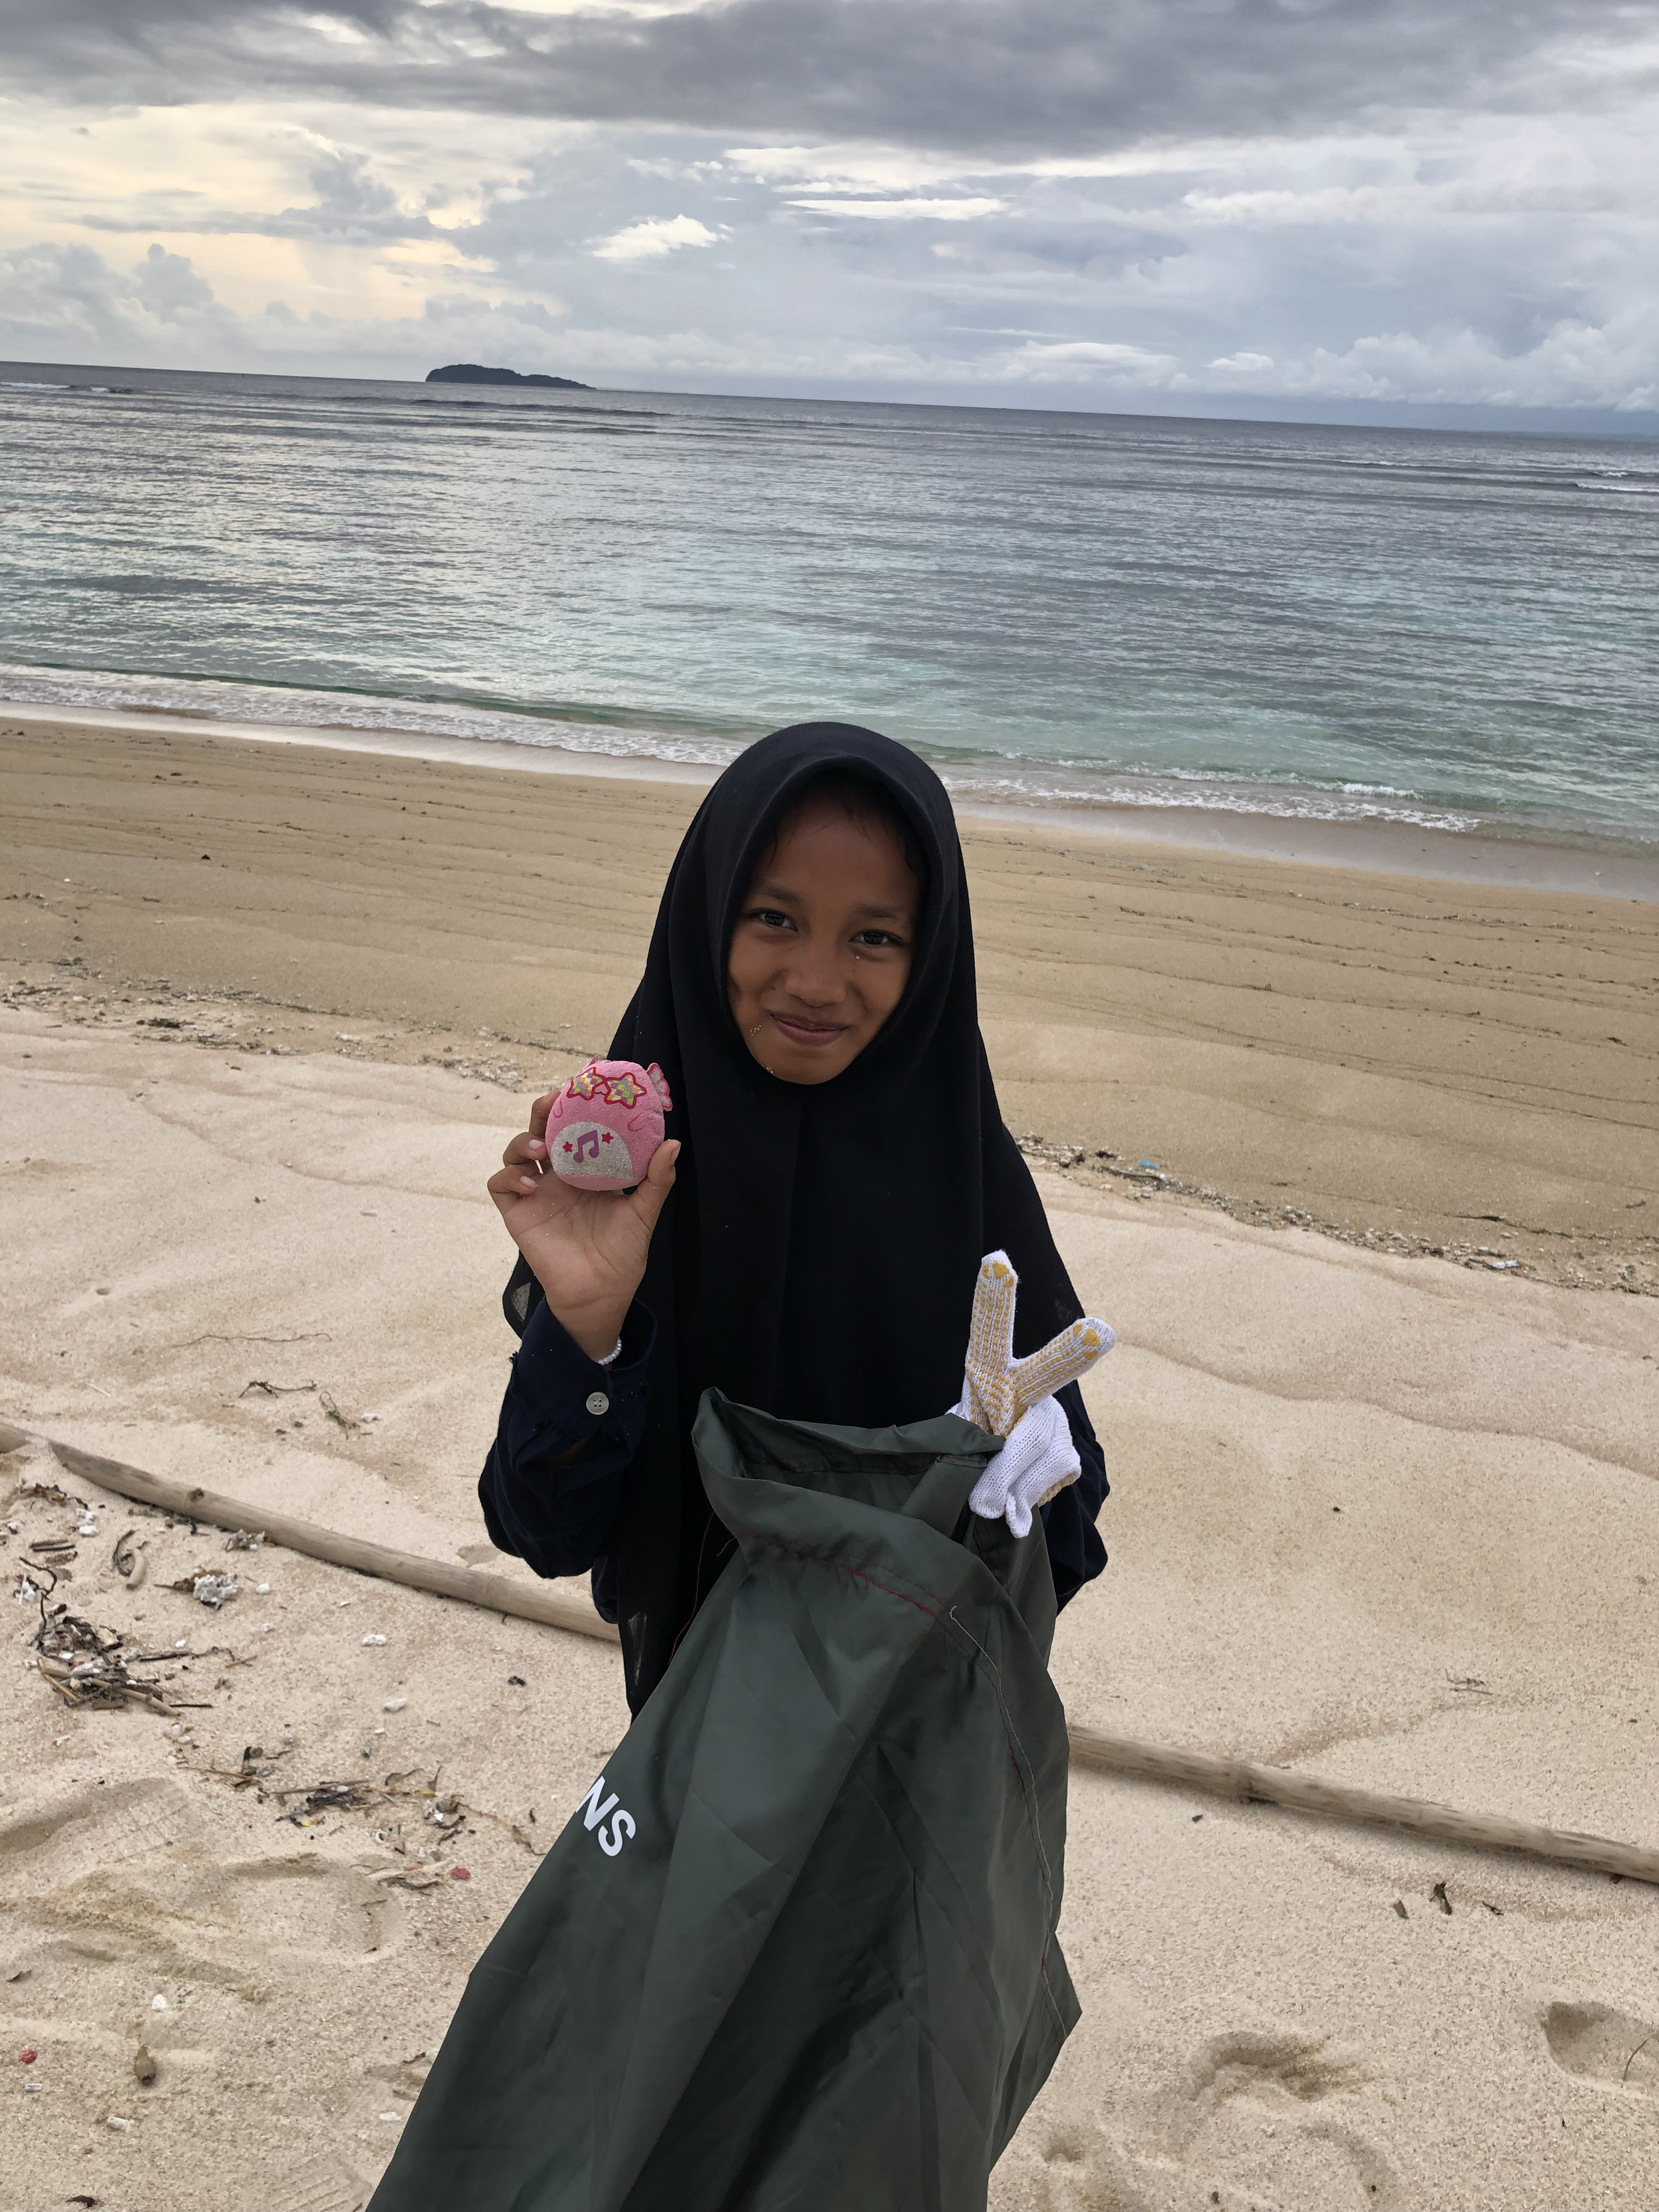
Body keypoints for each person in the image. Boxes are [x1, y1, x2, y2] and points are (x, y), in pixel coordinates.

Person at [481, 720, 1107, 1714]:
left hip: (918, 1728)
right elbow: (543, 1530)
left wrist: (1025, 1479)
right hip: (697, 1739)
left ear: (931, 955)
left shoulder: (960, 1173)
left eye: (874, 937)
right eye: (774, 918)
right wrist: (588, 1327)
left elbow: (1066, 1552)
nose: (816, 983)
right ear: (707, 917)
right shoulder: (639, 1191)